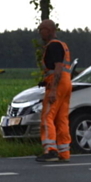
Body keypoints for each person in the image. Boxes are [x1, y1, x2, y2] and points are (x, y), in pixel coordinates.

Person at [37, 19, 73, 163]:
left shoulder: (53, 46)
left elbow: (57, 68)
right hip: (66, 83)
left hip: (56, 84)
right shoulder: (62, 45)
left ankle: (50, 150)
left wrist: (52, 90)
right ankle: (64, 152)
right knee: (61, 118)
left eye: (41, 30)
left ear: (49, 30)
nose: (40, 33)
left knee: (47, 117)